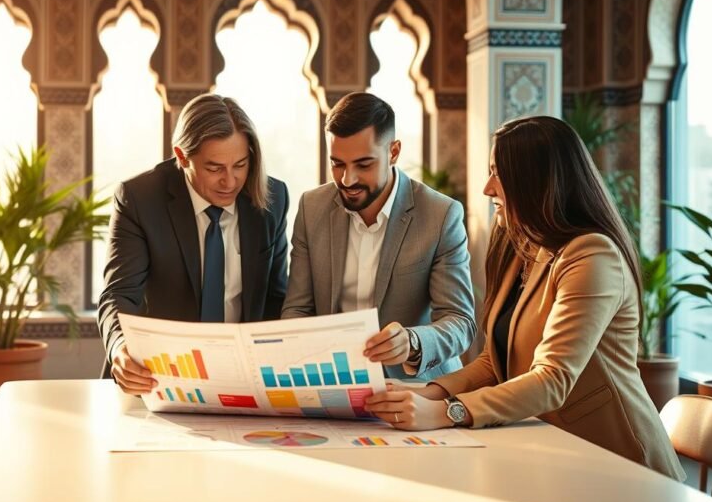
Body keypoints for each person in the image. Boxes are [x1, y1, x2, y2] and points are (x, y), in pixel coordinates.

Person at [365, 115, 684, 480]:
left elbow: (552, 379)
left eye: (499, 174)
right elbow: (493, 362)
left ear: (537, 182)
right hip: (554, 452)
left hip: (621, 466)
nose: (487, 188)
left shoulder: (593, 256)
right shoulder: (520, 246)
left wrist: (446, 412)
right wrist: (428, 392)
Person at [97, 93, 289, 395]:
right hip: (158, 378)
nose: (231, 181)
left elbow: (277, 300)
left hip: (243, 382)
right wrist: (120, 348)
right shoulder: (141, 199)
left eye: (240, 164)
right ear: (182, 156)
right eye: (214, 168)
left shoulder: (271, 199)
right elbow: (119, 294)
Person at [282, 92, 476, 380]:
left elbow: (460, 322)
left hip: (418, 391)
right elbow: (297, 310)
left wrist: (412, 342)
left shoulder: (441, 215)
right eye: (338, 164)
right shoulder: (312, 208)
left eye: (364, 165)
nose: (348, 180)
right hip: (334, 385)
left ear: (393, 152)